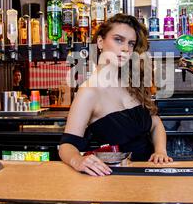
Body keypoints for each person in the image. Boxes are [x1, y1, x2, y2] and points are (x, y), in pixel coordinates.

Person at [59, 14, 173, 176]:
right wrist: (78, 160)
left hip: (150, 174)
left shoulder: (132, 83)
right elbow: (67, 146)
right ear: (100, 42)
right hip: (118, 179)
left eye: (131, 43)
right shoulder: (89, 91)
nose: (126, 48)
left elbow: (155, 124)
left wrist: (160, 151)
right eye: (118, 40)